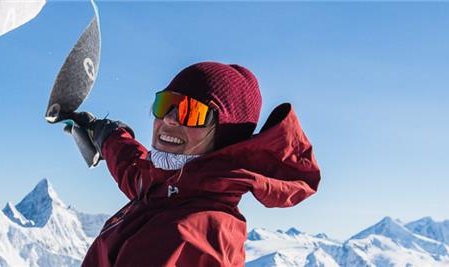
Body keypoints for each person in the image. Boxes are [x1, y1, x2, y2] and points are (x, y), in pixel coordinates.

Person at [70, 61, 321, 266]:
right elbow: (138, 173)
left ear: (224, 137)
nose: (169, 119)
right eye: (165, 104)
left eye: (191, 111)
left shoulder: (189, 239)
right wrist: (107, 136)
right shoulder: (171, 188)